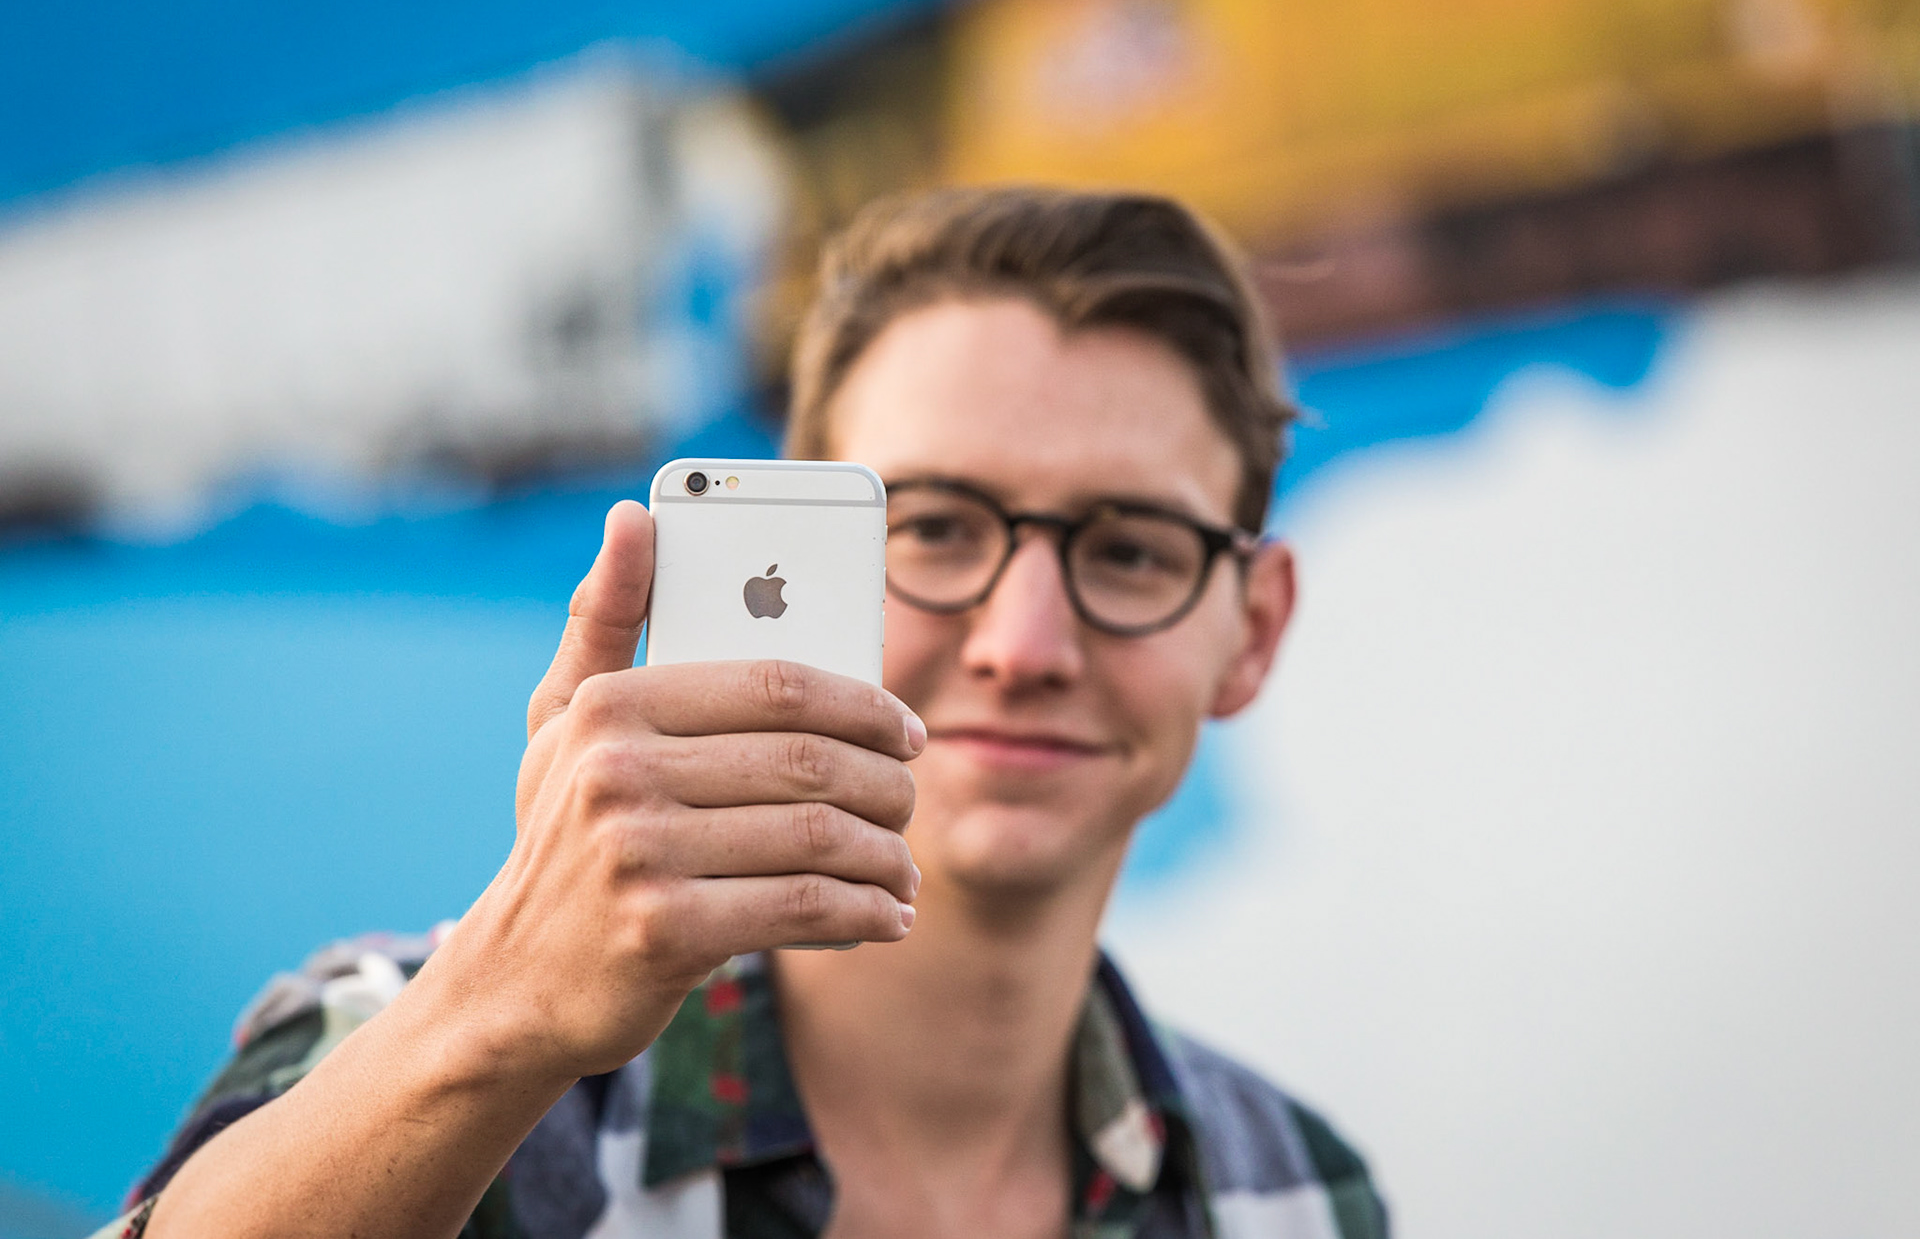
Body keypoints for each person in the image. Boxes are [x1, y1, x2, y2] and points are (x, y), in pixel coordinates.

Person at [98, 186, 1389, 1239]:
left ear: (1254, 629)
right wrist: (493, 1017)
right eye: (933, 528)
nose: (1025, 645)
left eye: (1131, 549)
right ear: (792, 574)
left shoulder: (1301, 1196)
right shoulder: (427, 1058)